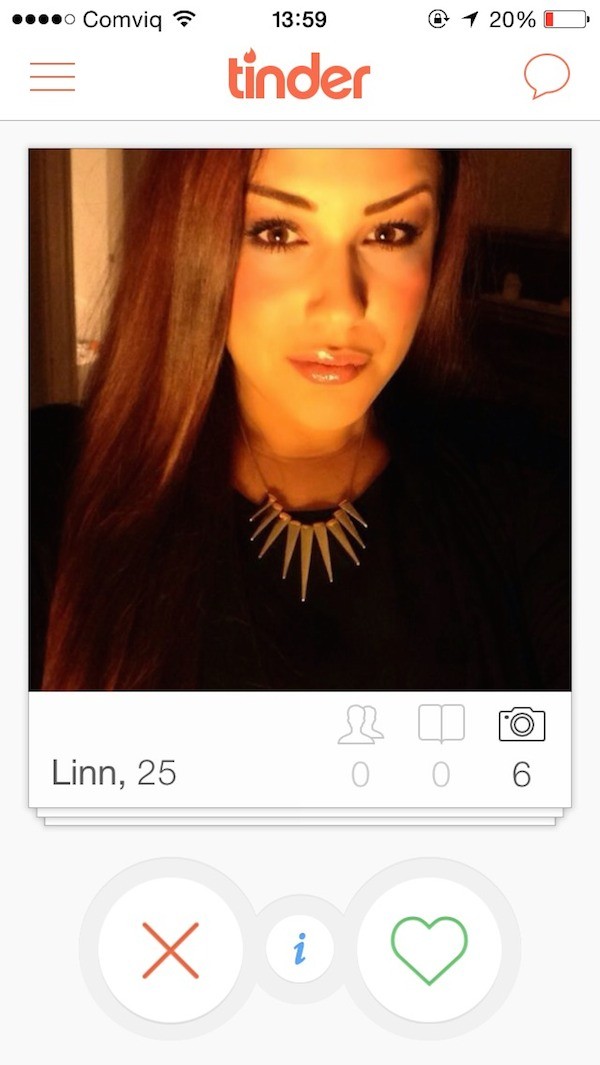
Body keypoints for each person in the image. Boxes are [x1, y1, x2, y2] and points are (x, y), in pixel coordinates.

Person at [30, 148, 569, 690]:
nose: (341, 307)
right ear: (189, 234)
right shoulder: (50, 491)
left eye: (390, 233)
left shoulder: (525, 485)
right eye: (278, 233)